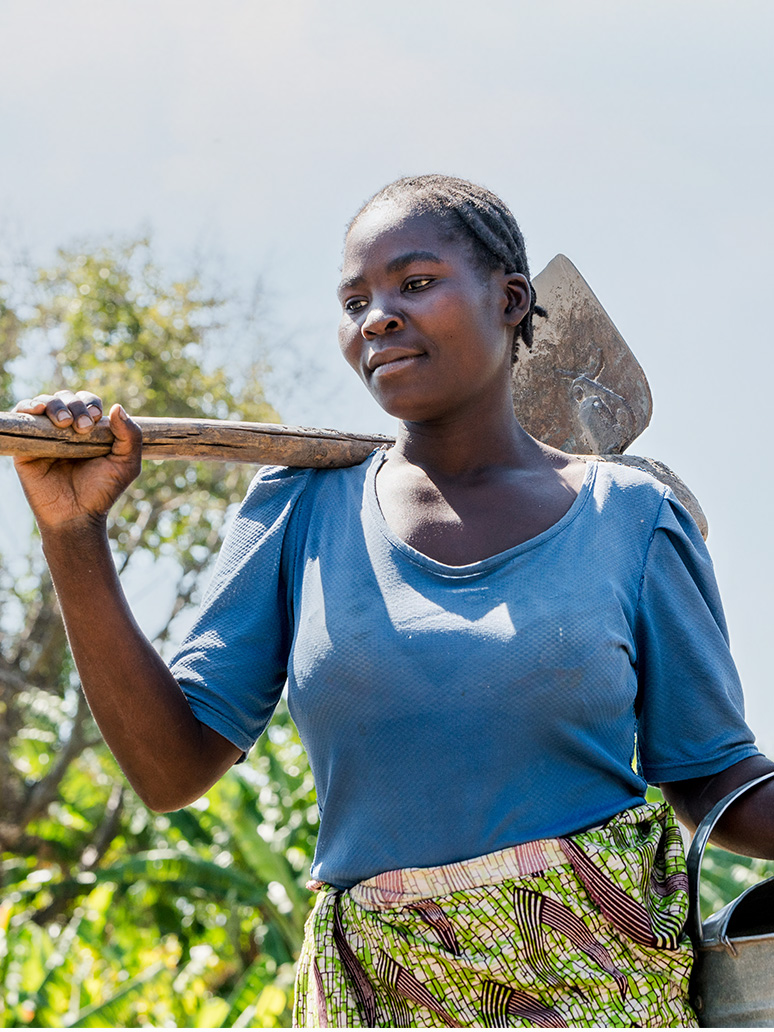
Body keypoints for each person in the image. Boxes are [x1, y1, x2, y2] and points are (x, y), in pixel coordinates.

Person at [14, 174, 774, 1028]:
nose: (376, 316)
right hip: (374, 994)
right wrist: (73, 536)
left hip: (596, 982)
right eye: (355, 300)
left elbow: (714, 777)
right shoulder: (303, 509)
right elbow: (170, 770)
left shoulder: (631, 518)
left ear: (512, 299)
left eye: (415, 284)